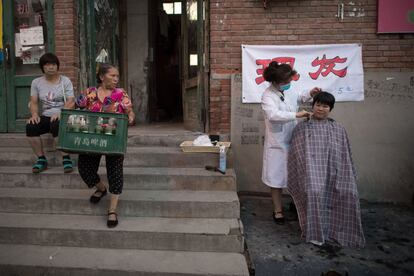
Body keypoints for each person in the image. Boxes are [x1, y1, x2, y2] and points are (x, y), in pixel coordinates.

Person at [287, 92, 365, 247]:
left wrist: (344, 176)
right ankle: (316, 232)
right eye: (318, 105)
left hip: (335, 173)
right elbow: (297, 156)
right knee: (315, 191)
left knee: (349, 192)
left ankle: (338, 231)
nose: (321, 109)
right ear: (313, 105)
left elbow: (345, 156)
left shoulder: (338, 129)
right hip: (310, 174)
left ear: (331, 109)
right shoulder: (302, 128)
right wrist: (309, 174)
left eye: (325, 106)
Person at [76, 63, 135, 228]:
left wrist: (130, 115)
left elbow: (130, 111)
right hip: (92, 137)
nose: (116, 79)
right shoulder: (90, 93)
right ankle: (101, 188)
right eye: (113, 76)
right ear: (102, 77)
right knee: (85, 169)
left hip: (114, 139)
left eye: (117, 76)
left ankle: (112, 210)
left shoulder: (120, 93)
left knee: (115, 172)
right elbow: (77, 107)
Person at [261, 61, 321, 224]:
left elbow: (300, 95)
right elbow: (273, 115)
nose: (289, 84)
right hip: (277, 143)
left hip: (294, 139)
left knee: (296, 174)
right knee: (276, 177)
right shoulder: (267, 95)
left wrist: (310, 92)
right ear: (275, 81)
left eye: (289, 81)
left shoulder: (289, 88)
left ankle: (295, 204)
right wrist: (296, 115)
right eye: (286, 82)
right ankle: (278, 210)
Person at [26, 53, 75, 173]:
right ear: (42, 67)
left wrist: (61, 113)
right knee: (31, 127)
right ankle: (41, 159)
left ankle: (66, 158)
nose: (51, 67)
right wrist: (34, 115)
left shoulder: (65, 81)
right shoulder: (36, 82)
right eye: (47, 65)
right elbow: (33, 102)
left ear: (57, 66)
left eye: (53, 64)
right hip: (46, 116)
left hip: (62, 116)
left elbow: (71, 101)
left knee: (56, 124)